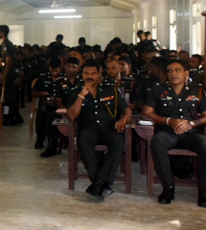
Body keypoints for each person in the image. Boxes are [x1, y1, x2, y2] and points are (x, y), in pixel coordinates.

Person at [142, 59, 206, 206]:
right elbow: (146, 112)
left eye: (177, 70)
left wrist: (191, 124)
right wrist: (168, 121)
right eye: (170, 71)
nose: (173, 74)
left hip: (191, 134)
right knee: (157, 143)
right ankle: (168, 188)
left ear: (186, 73)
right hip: (167, 132)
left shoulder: (198, 89)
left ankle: (203, 192)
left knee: (205, 145)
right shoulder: (158, 89)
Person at [67, 59, 131, 201]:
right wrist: (82, 95)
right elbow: (71, 115)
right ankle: (102, 183)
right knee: (83, 142)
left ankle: (97, 183)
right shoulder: (75, 92)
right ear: (81, 74)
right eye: (86, 73)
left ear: (99, 74)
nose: (89, 76)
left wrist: (123, 119)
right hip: (88, 129)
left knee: (119, 142)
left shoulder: (111, 90)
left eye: (93, 73)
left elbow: (127, 110)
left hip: (109, 127)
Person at [32, 58, 62, 151]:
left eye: (57, 70)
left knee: (52, 115)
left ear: (60, 68)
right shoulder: (43, 77)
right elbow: (33, 93)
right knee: (41, 112)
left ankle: (53, 141)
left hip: (58, 105)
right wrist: (41, 93)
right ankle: (40, 139)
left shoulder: (64, 78)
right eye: (52, 70)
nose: (54, 73)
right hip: (45, 104)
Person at [0, 25, 22, 125]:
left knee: (10, 97)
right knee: (9, 97)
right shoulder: (4, 44)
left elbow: (9, 62)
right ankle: (16, 117)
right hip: (8, 73)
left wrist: (4, 75)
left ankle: (12, 118)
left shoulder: (7, 44)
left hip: (9, 75)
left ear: (2, 33)